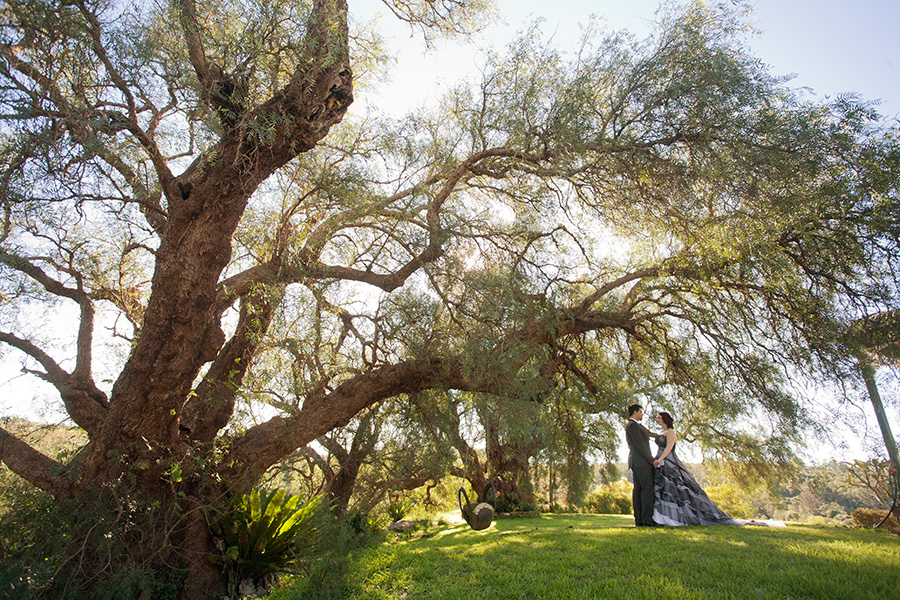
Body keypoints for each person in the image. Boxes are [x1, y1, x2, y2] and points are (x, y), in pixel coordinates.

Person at [651, 411, 742, 526]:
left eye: (659, 418)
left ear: (664, 419)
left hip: (668, 460)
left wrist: (660, 460)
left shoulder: (671, 432)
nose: (657, 420)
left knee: (674, 487)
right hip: (658, 460)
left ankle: (678, 517)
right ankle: (663, 517)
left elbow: (669, 448)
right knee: (663, 488)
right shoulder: (661, 432)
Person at [625, 403, 657, 527]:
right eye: (640, 411)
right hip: (641, 463)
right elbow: (640, 446)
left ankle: (640, 520)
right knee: (646, 490)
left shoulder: (635, 426)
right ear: (635, 412)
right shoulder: (633, 426)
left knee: (638, 491)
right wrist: (651, 460)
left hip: (637, 463)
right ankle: (646, 519)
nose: (642, 414)